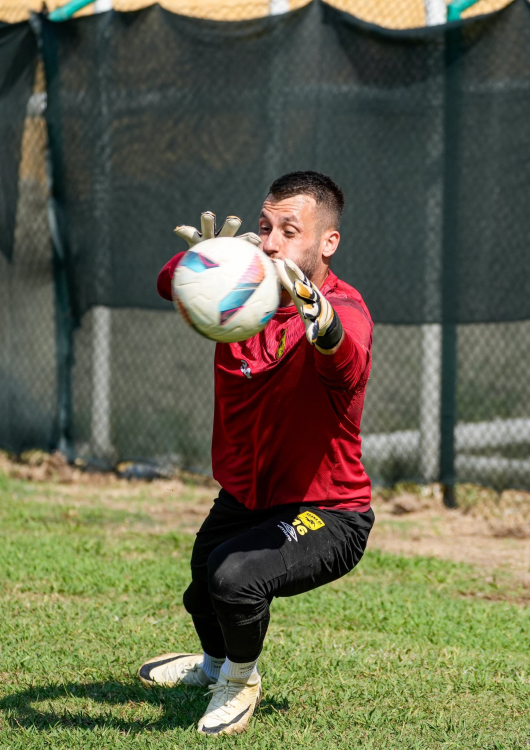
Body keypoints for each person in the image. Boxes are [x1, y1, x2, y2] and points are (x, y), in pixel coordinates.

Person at [138, 171, 374, 736]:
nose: (270, 243)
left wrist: (323, 322)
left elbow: (347, 362)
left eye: (289, 231)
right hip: (246, 498)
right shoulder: (242, 296)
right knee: (202, 590)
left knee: (234, 578)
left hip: (329, 511)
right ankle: (213, 664)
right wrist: (202, 262)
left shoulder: (343, 309)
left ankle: (240, 681)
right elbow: (168, 285)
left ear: (327, 243)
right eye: (266, 227)